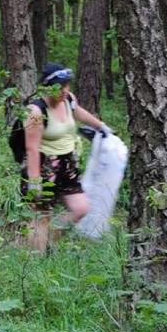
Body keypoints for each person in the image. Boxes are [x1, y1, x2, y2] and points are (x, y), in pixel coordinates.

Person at [21, 63, 113, 254]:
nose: (64, 90)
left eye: (66, 85)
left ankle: (49, 239)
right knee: (41, 216)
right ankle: (35, 261)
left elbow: (79, 112)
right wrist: (35, 183)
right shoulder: (36, 111)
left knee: (80, 208)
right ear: (47, 87)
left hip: (66, 166)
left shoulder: (68, 100)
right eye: (58, 86)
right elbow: (31, 149)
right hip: (43, 167)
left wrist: (101, 126)